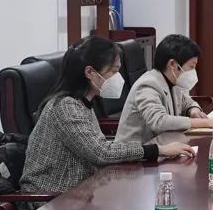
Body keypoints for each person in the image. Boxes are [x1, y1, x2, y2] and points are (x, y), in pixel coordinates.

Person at [20, 37, 194, 199]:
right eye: (113, 71)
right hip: (50, 200)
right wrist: (158, 150)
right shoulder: (65, 107)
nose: (118, 78)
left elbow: (96, 148)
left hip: (79, 192)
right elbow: (101, 153)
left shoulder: (82, 103)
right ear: (90, 72)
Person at [115, 34, 213, 144]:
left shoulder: (173, 81)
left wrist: (193, 110)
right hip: (135, 151)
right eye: (191, 66)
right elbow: (159, 121)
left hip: (162, 145)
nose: (193, 71)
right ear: (172, 64)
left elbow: (187, 101)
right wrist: (204, 123)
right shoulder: (148, 85)